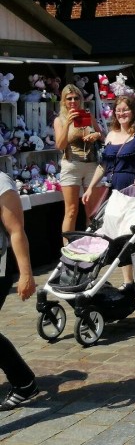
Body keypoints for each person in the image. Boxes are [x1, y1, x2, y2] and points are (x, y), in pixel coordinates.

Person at [82, 96, 135, 291]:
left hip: (132, 188)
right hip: (114, 190)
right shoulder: (111, 135)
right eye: (118, 110)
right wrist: (90, 187)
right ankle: (130, 279)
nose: (121, 114)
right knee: (115, 234)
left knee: (127, 235)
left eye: (125, 110)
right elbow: (103, 165)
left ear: (133, 112)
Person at [0, 173, 39, 410]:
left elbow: (16, 230)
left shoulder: (1, 182)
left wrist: (26, 275)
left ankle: (24, 383)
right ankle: (24, 382)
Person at [55, 84, 105, 234]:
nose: (73, 101)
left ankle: (92, 245)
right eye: (69, 98)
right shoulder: (60, 120)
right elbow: (60, 145)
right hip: (71, 165)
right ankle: (66, 248)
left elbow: (102, 136)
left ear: (81, 100)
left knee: (92, 210)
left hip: (91, 165)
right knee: (71, 210)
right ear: (63, 101)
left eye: (76, 98)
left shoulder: (88, 116)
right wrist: (68, 123)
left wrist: (96, 135)